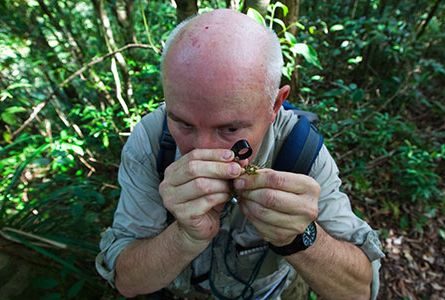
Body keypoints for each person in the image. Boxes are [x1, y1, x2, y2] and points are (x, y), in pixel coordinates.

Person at [96, 8, 384, 300]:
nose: (204, 152)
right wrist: (184, 237)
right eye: (183, 123)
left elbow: (359, 291)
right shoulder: (151, 141)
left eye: (230, 128)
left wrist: (299, 237)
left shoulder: (301, 151)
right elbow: (127, 281)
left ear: (275, 105)